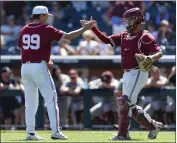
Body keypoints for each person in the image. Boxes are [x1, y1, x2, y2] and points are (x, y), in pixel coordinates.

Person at [81, 7, 163, 140]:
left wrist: (151, 58)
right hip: (127, 73)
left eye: (129, 20)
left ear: (136, 19)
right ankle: (153, 126)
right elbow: (106, 40)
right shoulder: (124, 35)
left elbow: (159, 52)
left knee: (124, 101)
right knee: (129, 104)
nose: (126, 23)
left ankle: (122, 134)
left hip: (139, 72)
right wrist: (93, 28)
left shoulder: (145, 36)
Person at [18, 5, 95, 140]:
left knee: (30, 103)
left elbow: (23, 49)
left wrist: (42, 58)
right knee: (51, 99)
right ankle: (55, 132)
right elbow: (68, 37)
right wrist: (84, 29)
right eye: (46, 16)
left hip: (25, 67)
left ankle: (30, 133)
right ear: (41, 16)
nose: (47, 18)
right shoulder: (45, 28)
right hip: (39, 67)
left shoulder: (24, 29)